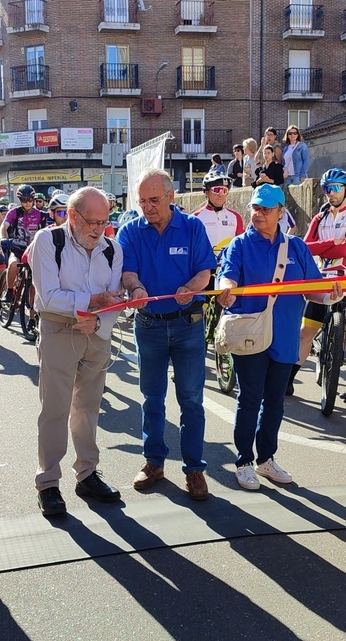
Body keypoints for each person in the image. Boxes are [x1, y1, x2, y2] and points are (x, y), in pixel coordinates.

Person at [215, 184, 343, 489]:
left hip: (285, 335)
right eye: (254, 209)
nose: (258, 215)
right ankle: (244, 460)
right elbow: (228, 274)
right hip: (250, 335)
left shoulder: (296, 247)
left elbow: (313, 287)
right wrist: (225, 289)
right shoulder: (240, 245)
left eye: (265, 210)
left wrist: (330, 297)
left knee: (275, 402)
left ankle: (266, 459)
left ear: (281, 212)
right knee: (249, 398)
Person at [117, 168, 217, 500]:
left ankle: (194, 469)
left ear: (171, 196)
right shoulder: (130, 232)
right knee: (152, 398)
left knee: (191, 399)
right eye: (142, 201)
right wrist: (136, 288)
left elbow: (205, 270)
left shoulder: (192, 228)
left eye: (154, 200)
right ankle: (154, 463)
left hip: (188, 324)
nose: (147, 207)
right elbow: (127, 272)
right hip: (148, 325)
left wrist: (190, 287)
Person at [29, 187, 126, 515]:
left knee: (88, 407)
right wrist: (91, 305)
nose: (98, 229)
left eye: (104, 222)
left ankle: (87, 473)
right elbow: (49, 296)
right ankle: (48, 483)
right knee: (54, 409)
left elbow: (115, 299)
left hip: (96, 335)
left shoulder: (113, 249)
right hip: (59, 329)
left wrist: (98, 323)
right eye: (91, 222)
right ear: (72, 216)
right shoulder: (48, 241)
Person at [293, 168, 346, 400]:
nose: (330, 193)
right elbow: (305, 247)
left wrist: (326, 246)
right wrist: (332, 242)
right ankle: (288, 380)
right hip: (322, 280)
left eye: (335, 188)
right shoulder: (320, 216)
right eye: (326, 189)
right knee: (306, 333)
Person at [1, 184, 50, 298]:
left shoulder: (42, 214)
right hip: (17, 247)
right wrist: (3, 238)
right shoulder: (14, 212)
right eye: (24, 200)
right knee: (13, 264)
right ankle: (9, 291)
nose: (27, 202)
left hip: (35, 249)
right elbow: (3, 228)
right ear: (20, 200)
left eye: (30, 200)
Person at [191, 169, 244, 256]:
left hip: (229, 267)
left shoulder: (235, 217)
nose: (220, 194)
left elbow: (241, 246)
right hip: (205, 268)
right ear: (206, 192)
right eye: (217, 190)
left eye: (224, 190)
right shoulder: (195, 218)